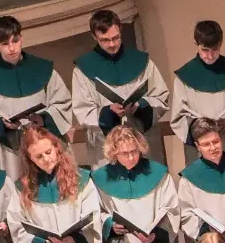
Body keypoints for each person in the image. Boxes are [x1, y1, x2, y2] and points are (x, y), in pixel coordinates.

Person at [6, 126, 105, 243]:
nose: (46, 159)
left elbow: (94, 217)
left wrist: (73, 239)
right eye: (38, 156)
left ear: (57, 148)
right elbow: (16, 226)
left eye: (48, 152)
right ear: (29, 159)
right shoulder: (23, 189)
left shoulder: (80, 180)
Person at [0, 15, 72, 178]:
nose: (12, 48)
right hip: (13, 147)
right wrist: (2, 124)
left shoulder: (42, 68)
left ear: (21, 38)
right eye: (5, 44)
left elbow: (62, 101)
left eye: (15, 41)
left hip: (45, 140)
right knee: (22, 190)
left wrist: (43, 118)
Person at [70, 9, 169, 166]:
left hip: (141, 139)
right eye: (105, 40)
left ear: (121, 30)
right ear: (94, 37)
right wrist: (108, 112)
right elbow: (82, 110)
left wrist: (140, 105)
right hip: (107, 147)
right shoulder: (83, 70)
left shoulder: (141, 61)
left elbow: (161, 96)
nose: (112, 44)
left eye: (116, 38)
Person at [94, 125, 181, 243]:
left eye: (134, 151)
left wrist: (156, 234)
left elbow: (171, 208)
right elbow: (96, 212)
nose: (131, 157)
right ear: (113, 153)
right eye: (124, 154)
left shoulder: (158, 173)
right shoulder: (100, 179)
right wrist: (110, 226)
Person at [169, 20, 225, 165]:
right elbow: (178, 119)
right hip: (201, 147)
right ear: (197, 44)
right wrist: (201, 127)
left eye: (215, 49)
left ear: (221, 44)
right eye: (205, 49)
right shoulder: (184, 77)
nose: (210, 55)